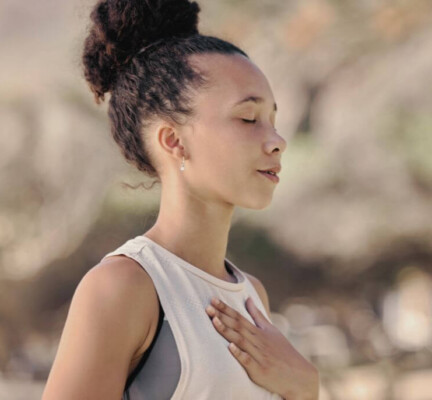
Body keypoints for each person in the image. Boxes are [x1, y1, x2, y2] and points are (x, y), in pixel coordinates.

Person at [41, 0, 319, 399]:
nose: (277, 141)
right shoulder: (124, 287)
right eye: (248, 118)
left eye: (273, 121)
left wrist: (305, 389)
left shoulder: (251, 295)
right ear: (174, 141)